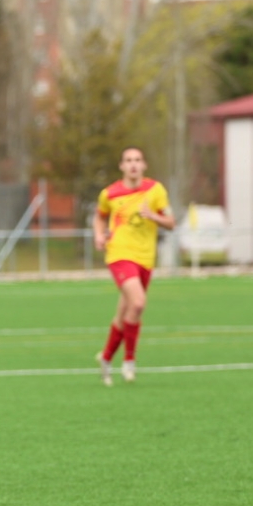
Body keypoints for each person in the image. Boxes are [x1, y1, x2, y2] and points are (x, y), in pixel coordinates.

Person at [93, 146, 174, 385]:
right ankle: (129, 361)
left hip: (146, 258)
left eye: (137, 160)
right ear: (121, 166)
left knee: (125, 312)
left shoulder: (155, 190)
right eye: (128, 160)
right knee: (138, 303)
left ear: (144, 165)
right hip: (119, 253)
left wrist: (154, 216)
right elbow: (99, 216)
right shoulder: (110, 193)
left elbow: (171, 222)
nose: (133, 164)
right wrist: (99, 235)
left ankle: (106, 358)